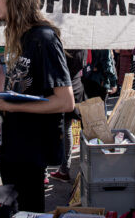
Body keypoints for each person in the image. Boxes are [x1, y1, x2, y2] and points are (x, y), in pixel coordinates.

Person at [0, 0, 74, 212]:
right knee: (14, 209)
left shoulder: (43, 38)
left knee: (29, 211)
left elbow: (65, 102)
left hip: (31, 150)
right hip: (12, 145)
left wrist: (7, 105)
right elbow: (24, 89)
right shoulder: (18, 35)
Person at [50, 49, 86, 182]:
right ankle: (64, 169)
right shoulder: (81, 47)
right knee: (67, 129)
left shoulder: (63, 49)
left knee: (62, 130)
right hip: (76, 89)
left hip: (64, 91)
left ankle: (63, 169)